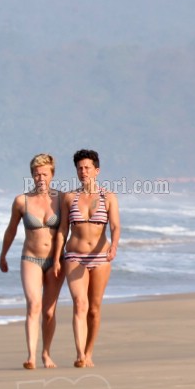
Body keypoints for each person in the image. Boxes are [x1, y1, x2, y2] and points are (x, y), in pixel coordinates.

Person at [52, 148, 121, 368]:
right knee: (79, 303)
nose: (83, 172)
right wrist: (56, 257)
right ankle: (80, 353)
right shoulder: (69, 197)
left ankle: (89, 352)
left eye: (87, 168)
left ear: (96, 170)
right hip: (74, 256)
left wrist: (114, 247)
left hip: (101, 257)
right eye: (79, 168)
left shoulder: (108, 197)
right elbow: (63, 229)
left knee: (94, 307)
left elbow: (116, 226)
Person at [0, 153, 64, 369]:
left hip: (56, 261)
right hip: (31, 258)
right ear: (32, 176)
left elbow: (76, 226)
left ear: (52, 175)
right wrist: (3, 255)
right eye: (37, 174)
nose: (41, 178)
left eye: (45, 173)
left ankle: (46, 353)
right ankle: (31, 356)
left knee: (48, 311)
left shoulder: (62, 200)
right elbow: (10, 231)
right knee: (34, 305)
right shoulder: (21, 201)